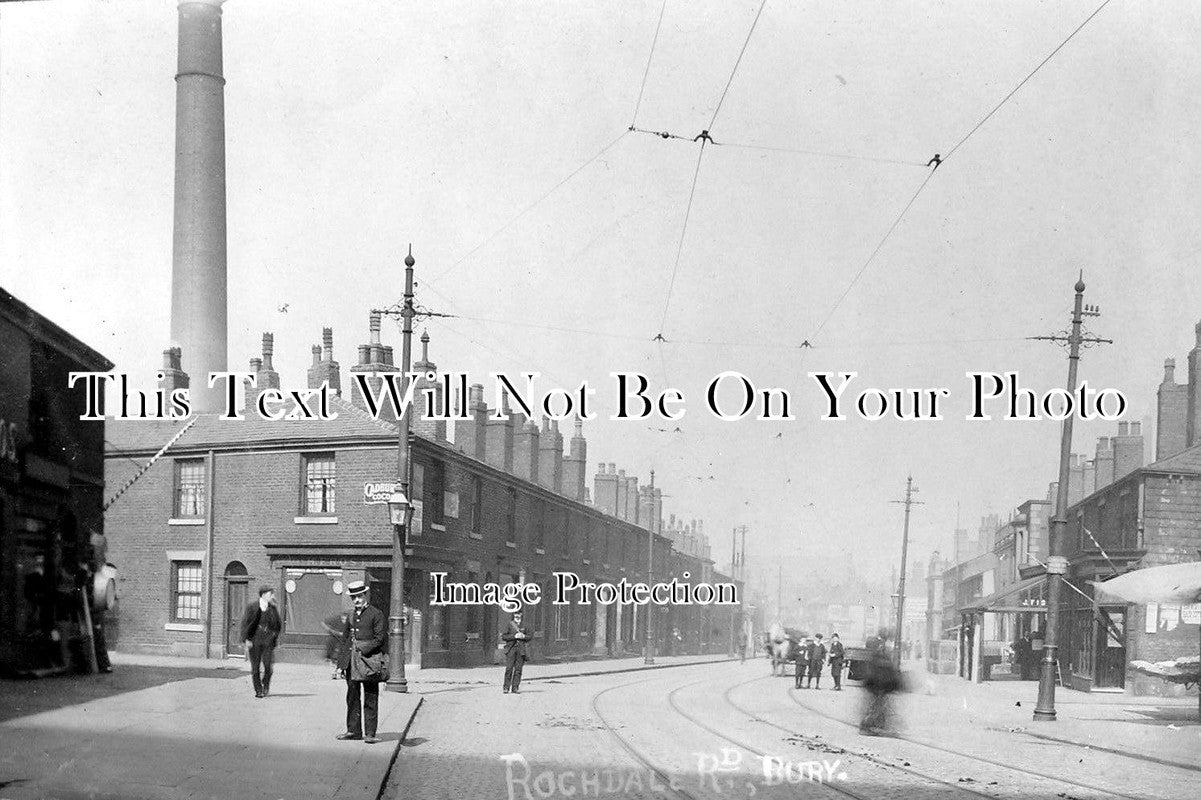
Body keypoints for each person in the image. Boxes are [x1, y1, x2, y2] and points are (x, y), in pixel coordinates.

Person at [337, 581, 386, 743]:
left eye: (359, 596)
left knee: (370, 696)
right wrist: (340, 665)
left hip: (369, 662)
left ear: (365, 595)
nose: (357, 600)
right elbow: (344, 640)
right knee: (352, 696)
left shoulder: (376, 614)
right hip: (351, 662)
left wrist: (362, 648)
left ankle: (370, 733)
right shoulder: (351, 616)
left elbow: (380, 639)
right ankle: (353, 730)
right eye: (354, 597)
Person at [240, 586, 282, 698]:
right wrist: (246, 639)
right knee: (255, 667)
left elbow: (278, 625)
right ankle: (258, 690)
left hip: (268, 642)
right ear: (263, 595)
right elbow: (245, 624)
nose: (272, 596)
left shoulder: (272, 608)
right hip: (254, 641)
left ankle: (266, 684)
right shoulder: (252, 607)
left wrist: (273, 635)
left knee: (268, 666)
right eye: (270, 594)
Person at [860, 637, 901, 735]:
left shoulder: (874, 656)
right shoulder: (877, 657)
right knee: (877, 707)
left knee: (880, 707)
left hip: (878, 687)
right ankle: (866, 727)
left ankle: (877, 726)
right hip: (878, 687)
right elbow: (880, 672)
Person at [502, 610, 530, 693]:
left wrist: (524, 636)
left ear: (521, 615)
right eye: (516, 615)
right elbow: (504, 636)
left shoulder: (525, 625)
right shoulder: (510, 625)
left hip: (521, 650)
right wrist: (514, 636)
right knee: (509, 669)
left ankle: (515, 687)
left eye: (519, 614)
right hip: (511, 649)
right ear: (514, 615)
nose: (517, 616)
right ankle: (506, 687)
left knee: (518, 670)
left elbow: (530, 636)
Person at [323, 611, 349, 679]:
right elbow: (324, 623)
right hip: (336, 642)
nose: (344, 621)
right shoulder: (335, 621)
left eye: (345, 619)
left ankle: (342, 672)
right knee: (335, 659)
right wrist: (332, 631)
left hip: (344, 644)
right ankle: (335, 672)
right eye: (343, 619)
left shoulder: (349, 624)